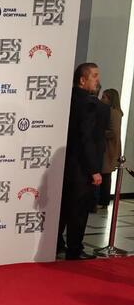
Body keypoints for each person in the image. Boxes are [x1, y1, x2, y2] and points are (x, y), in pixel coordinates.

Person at [57, 62, 108, 260]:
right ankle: (74, 249)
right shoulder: (89, 104)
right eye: (94, 76)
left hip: (65, 165)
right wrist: (94, 169)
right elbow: (86, 138)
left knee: (63, 209)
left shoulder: (66, 99)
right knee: (78, 211)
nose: (98, 80)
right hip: (81, 168)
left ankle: (57, 244)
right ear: (82, 80)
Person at [99, 88, 123, 209]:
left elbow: (113, 132)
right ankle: (103, 201)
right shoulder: (116, 112)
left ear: (110, 99)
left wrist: (99, 132)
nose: (101, 99)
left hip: (109, 148)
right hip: (111, 147)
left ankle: (103, 201)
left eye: (104, 97)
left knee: (105, 174)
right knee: (105, 175)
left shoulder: (113, 113)